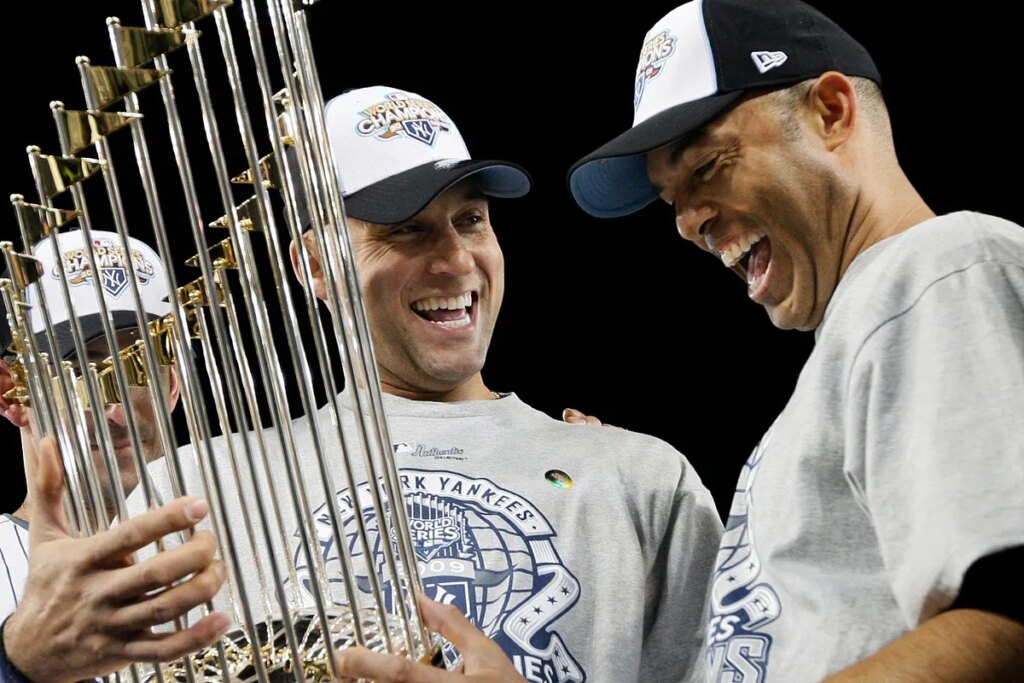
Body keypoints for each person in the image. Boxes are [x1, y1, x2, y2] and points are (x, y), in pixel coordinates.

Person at [335, 1, 1024, 681]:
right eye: (671, 198)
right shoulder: (858, 345)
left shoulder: (941, 268)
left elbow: (1006, 617)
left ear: (832, 111)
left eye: (706, 167)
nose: (688, 222)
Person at [145, 85, 721, 682]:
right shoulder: (191, 494)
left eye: (471, 221)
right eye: (405, 230)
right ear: (315, 265)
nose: (457, 260)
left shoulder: (639, 479)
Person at [0, 229, 228, 681]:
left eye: (140, 366)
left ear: (173, 386)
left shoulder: (240, 552)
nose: (118, 410)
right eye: (83, 368)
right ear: (11, 393)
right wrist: (20, 664)